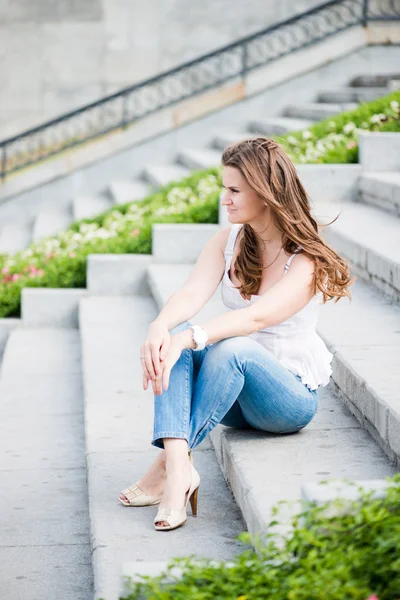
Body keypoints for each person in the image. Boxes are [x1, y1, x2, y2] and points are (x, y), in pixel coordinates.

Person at [118, 136, 354, 531]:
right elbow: (192, 292)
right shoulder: (229, 241)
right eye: (223, 188)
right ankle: (180, 469)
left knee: (228, 348)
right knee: (176, 346)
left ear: (265, 192)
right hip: (231, 395)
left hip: (285, 401)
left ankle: (168, 471)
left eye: (233, 190)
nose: (224, 199)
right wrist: (160, 328)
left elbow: (255, 320)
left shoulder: (306, 260)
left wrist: (189, 337)